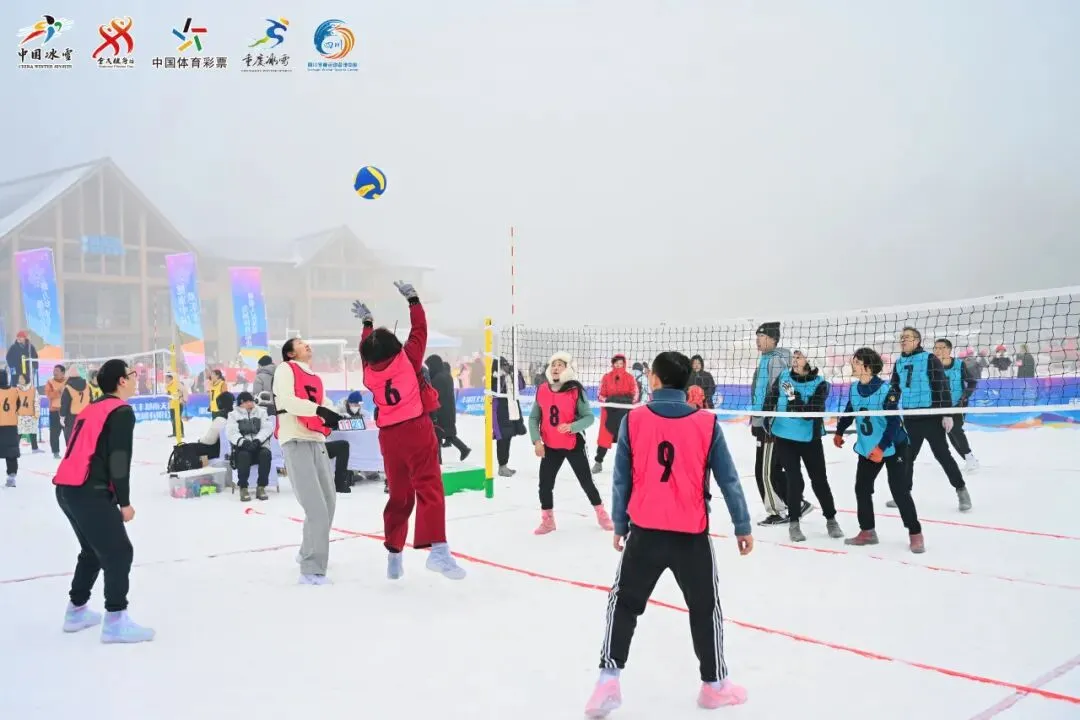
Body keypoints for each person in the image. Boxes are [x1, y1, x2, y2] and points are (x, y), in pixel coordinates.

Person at [585, 351, 752, 717]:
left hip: (645, 532)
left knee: (623, 603)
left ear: (654, 380)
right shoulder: (706, 423)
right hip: (690, 535)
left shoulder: (634, 419)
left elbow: (621, 479)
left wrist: (620, 524)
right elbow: (729, 479)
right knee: (705, 608)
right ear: (687, 382)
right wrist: (742, 524)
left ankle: (607, 679)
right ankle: (714, 686)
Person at [355, 281, 465, 581]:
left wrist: (367, 325)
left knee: (400, 495)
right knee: (429, 487)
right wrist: (413, 300)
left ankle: (394, 555)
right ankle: (438, 551)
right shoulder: (409, 359)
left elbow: (365, 351)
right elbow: (420, 330)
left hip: (389, 436)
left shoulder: (368, 372)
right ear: (395, 346)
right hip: (416, 429)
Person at [53, 358, 155, 643]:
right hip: (89, 490)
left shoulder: (93, 408)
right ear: (122, 380)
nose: (135, 379)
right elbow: (119, 458)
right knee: (119, 552)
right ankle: (115, 620)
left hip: (67, 488)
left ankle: (76, 611)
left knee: (93, 551)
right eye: (132, 374)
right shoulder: (120, 411)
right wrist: (124, 502)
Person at [834, 348, 924, 553]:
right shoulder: (854, 388)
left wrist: (881, 447)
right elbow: (850, 411)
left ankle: (915, 533)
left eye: (857, 362)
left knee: (899, 491)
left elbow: (893, 423)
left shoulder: (886, 390)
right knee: (862, 488)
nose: (852, 365)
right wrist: (839, 431)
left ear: (868, 367)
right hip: (869, 447)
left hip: (894, 446)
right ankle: (867, 531)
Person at [272, 338, 342, 584]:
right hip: (295, 439)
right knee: (316, 507)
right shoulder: (285, 369)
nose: (307, 345)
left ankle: (307, 551)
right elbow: (288, 401)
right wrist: (319, 411)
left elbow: (325, 403)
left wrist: (331, 414)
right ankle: (311, 569)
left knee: (329, 503)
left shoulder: (315, 377)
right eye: (301, 343)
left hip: (316, 440)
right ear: (290, 353)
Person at [762, 351, 843, 542]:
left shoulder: (821, 384)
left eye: (799, 357)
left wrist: (793, 397)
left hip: (810, 439)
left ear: (809, 362)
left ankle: (831, 519)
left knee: (819, 480)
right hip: (785, 436)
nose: (794, 360)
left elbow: (808, 414)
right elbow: (771, 397)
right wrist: (766, 416)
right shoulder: (784, 376)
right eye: (794, 357)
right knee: (794, 480)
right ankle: (794, 523)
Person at [529, 352, 613, 534]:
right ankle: (548, 521)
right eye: (553, 365)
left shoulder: (575, 390)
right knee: (545, 484)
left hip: (573, 444)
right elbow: (534, 418)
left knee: (586, 482)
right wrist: (536, 441)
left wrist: (572, 427)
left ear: (567, 369)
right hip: (550, 446)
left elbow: (589, 417)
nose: (556, 368)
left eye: (560, 365)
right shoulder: (542, 389)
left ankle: (602, 514)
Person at [892, 327, 971, 512]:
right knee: (907, 457)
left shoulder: (929, 359)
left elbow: (942, 386)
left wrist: (947, 413)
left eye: (907, 337)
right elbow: (895, 388)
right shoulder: (898, 362)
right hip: (910, 418)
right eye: (901, 337)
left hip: (931, 417)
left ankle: (961, 490)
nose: (903, 340)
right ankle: (903, 494)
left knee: (942, 455)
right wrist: (890, 404)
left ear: (917, 341)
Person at [749, 322, 800, 525]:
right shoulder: (766, 359)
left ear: (772, 339)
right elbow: (760, 392)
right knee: (774, 468)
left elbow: (779, 392)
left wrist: (768, 420)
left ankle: (777, 512)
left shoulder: (776, 361)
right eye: (757, 337)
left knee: (764, 471)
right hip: (763, 421)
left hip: (770, 424)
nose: (757, 341)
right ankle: (795, 502)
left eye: (761, 337)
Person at [933, 338, 980, 473]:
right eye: (936, 348)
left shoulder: (959, 364)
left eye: (942, 347)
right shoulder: (932, 366)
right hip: (940, 406)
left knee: (956, 430)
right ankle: (969, 459)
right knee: (950, 433)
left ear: (949, 350)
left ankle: (970, 459)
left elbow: (972, 382)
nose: (938, 350)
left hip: (958, 404)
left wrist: (965, 396)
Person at [592, 354, 639, 474]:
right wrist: (609, 400)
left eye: (620, 363)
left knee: (627, 438)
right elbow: (600, 395)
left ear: (624, 364)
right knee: (604, 438)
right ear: (613, 364)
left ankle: (631, 464)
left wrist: (625, 400)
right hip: (609, 412)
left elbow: (635, 395)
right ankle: (598, 462)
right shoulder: (606, 377)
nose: (618, 365)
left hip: (626, 413)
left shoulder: (630, 378)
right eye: (616, 363)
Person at [227, 391, 274, 502]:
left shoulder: (261, 412)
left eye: (251, 401)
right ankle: (243, 488)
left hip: (259, 445)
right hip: (243, 447)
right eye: (246, 401)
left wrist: (258, 440)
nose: (250, 403)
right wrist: (243, 442)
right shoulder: (233, 415)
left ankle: (261, 487)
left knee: (266, 454)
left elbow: (267, 428)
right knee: (243, 456)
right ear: (241, 403)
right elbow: (231, 432)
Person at [426, 354, 471, 461]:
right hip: (448, 410)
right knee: (447, 434)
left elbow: (435, 397)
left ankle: (438, 460)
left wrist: (433, 414)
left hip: (440, 412)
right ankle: (463, 449)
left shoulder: (437, 379)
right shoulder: (446, 376)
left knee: (438, 435)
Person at [492, 356, 526, 477]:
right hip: (499, 412)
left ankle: (504, 465)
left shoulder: (510, 376)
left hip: (511, 411)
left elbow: (521, 386)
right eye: (503, 365)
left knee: (508, 438)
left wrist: (517, 374)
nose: (506, 367)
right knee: (502, 439)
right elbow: (498, 390)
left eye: (506, 364)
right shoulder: (493, 377)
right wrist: (500, 376)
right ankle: (502, 466)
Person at [190, 392, 234, 461]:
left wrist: (200, 441)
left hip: (221, 453)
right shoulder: (239, 415)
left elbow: (209, 440)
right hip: (235, 451)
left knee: (192, 448)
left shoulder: (221, 419)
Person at [0, 370, 21, 487]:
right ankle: (12, 477)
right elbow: (17, 406)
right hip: (11, 426)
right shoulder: (15, 391)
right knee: (11, 452)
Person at [60, 368, 91, 442]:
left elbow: (64, 404)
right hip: (85, 416)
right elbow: (91, 401)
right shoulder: (87, 386)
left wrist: (62, 416)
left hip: (71, 418)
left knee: (71, 440)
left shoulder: (68, 388)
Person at [15, 372, 42, 454]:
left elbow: (37, 402)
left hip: (31, 414)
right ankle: (15, 449)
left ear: (26, 379)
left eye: (22, 378)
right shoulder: (16, 390)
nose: (20, 380)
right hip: (20, 415)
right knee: (18, 433)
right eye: (19, 378)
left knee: (33, 432)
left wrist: (37, 412)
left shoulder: (33, 389)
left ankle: (35, 448)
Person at [45, 364, 67, 458]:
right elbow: (48, 394)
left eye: (57, 370)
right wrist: (58, 391)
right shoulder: (50, 382)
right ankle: (55, 452)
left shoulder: (68, 381)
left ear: (63, 372)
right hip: (54, 411)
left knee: (69, 433)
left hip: (67, 411)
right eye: (54, 370)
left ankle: (70, 452)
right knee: (54, 433)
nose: (54, 372)